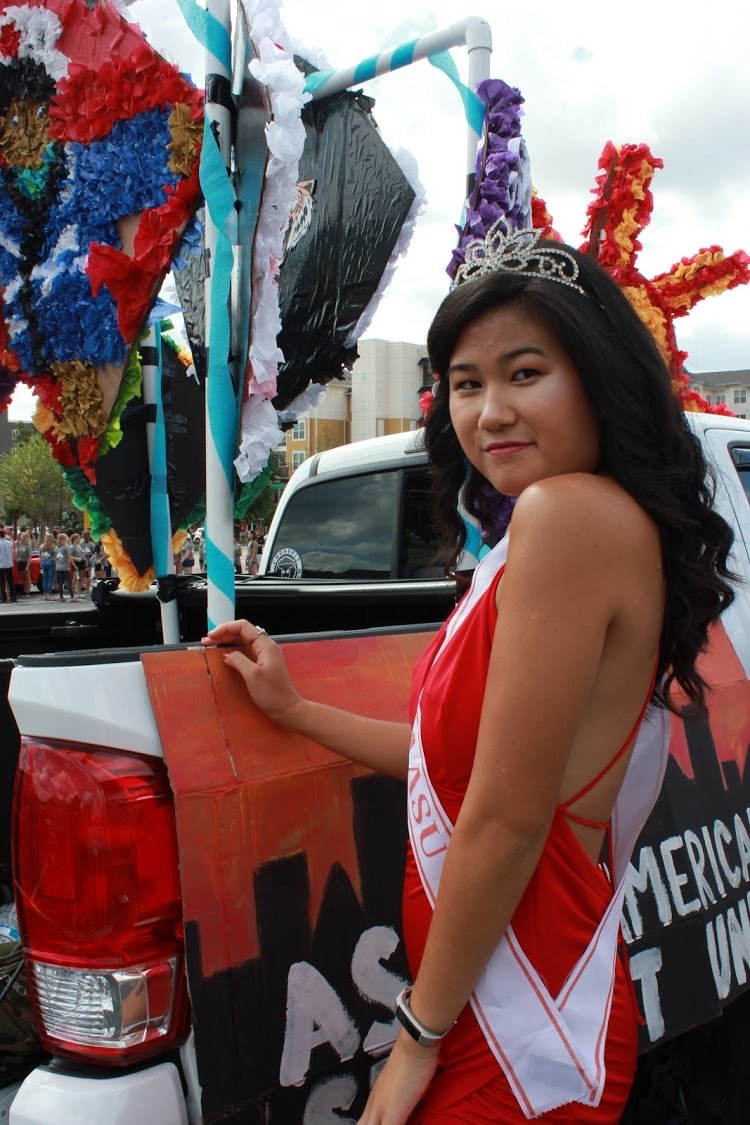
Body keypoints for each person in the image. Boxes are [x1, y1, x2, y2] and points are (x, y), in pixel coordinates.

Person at [202, 228, 735, 1122]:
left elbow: (507, 818)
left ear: (600, 378)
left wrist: (414, 1039)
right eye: (465, 382)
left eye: (525, 373)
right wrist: (296, 711)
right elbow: (463, 770)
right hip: (499, 995)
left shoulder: (567, 519)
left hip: (506, 1024)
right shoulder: (554, 529)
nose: (490, 410)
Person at [54, 533, 73, 600]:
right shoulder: (66, 547)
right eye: (66, 538)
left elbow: (55, 558)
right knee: (69, 582)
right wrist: (74, 565)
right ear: (63, 539)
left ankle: (61, 596)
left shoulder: (56, 547)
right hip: (65, 567)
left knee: (60, 582)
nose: (67, 539)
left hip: (58, 567)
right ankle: (72, 596)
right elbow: (69, 557)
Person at [0, 528, 15, 603]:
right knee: (10, 581)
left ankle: (4, 598)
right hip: (9, 564)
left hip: (1, 565)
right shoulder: (10, 543)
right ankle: (13, 597)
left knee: (2, 582)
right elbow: (12, 553)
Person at [39, 532, 56, 600]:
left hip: (43, 562)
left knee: (45, 579)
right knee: (50, 579)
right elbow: (55, 556)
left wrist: (41, 563)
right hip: (51, 562)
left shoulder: (41, 546)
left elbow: (40, 556)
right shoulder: (53, 546)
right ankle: (49, 594)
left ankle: (45, 594)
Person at [16, 530, 32, 596]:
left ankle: (28, 591)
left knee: (27, 577)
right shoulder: (18, 544)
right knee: (23, 578)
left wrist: (28, 565)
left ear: (25, 538)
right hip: (20, 562)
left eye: (22, 538)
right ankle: (24, 590)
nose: (21, 539)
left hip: (25, 562)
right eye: (21, 537)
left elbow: (29, 557)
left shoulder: (28, 546)